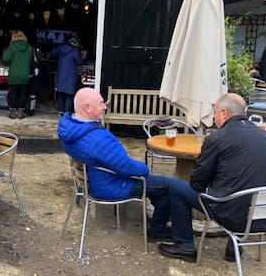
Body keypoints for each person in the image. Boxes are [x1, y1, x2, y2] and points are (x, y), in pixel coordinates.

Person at [158, 93, 266, 263]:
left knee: (176, 188)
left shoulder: (217, 138)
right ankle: (233, 248)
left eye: (215, 113)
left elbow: (197, 183)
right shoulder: (265, 136)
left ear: (224, 113)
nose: (214, 118)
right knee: (242, 186)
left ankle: (185, 245)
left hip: (235, 216)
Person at [57, 88, 186, 242]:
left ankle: (158, 219)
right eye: (100, 103)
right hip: (111, 186)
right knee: (168, 186)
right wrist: (145, 169)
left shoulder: (68, 128)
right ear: (87, 108)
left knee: (157, 186)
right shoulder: (97, 139)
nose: (104, 107)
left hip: (93, 181)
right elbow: (125, 167)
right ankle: (157, 231)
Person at [2, 30, 33, 119]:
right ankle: (20, 112)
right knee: (23, 93)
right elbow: (31, 62)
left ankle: (13, 112)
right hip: (24, 74)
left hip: (14, 73)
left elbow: (5, 59)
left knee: (13, 93)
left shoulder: (12, 47)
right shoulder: (29, 48)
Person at [51, 35, 84, 115]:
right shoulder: (75, 50)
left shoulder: (62, 47)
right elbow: (80, 62)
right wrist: (82, 56)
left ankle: (60, 111)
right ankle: (66, 113)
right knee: (69, 95)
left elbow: (52, 53)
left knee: (60, 93)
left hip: (61, 75)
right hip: (71, 76)